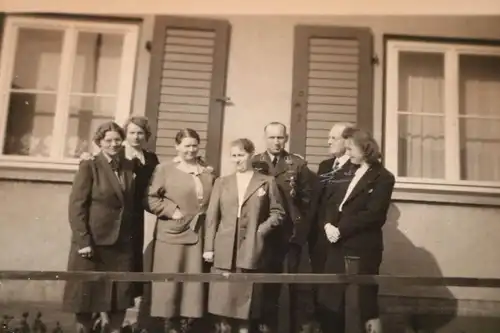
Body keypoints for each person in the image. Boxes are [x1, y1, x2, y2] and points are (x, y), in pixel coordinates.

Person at [203, 138, 285, 333]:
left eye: (241, 155)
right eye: (234, 156)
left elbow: (278, 213)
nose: (237, 159)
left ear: (251, 155)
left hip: (251, 248)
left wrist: (261, 231)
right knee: (222, 305)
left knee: (244, 308)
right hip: (224, 249)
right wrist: (209, 247)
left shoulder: (266, 182)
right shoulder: (222, 182)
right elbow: (212, 217)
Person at [319, 127, 395, 333]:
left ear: (365, 149)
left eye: (351, 149)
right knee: (331, 301)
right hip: (336, 246)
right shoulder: (346, 171)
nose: (348, 153)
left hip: (361, 248)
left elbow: (374, 215)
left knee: (359, 303)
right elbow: (331, 201)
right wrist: (327, 224)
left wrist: (341, 229)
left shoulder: (383, 177)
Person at [62, 121, 136, 333]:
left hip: (121, 244)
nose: (114, 144)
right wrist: (83, 241)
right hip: (93, 244)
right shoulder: (90, 165)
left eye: (117, 140)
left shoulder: (128, 166)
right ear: (99, 142)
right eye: (108, 140)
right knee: (86, 300)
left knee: (119, 298)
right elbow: (76, 206)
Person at [79, 116, 160, 299]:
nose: (136, 137)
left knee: (129, 260)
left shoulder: (151, 158)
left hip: (137, 214)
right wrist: (86, 156)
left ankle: (125, 299)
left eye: (140, 133)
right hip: (113, 215)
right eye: (132, 133)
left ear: (146, 135)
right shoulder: (117, 154)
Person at [145, 128, 216, 333]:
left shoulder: (207, 171)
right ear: (177, 146)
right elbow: (150, 198)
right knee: (170, 285)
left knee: (193, 287)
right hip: (172, 235)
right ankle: (169, 327)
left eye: (194, 145)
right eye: (186, 145)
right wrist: (171, 210)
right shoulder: (164, 169)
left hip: (200, 235)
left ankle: (188, 326)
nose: (191, 150)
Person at [251, 122, 314, 333]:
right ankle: (266, 328)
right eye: (272, 138)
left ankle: (292, 328)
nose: (276, 142)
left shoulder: (296, 164)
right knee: (265, 285)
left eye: (280, 138)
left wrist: (300, 228)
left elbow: (307, 200)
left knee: (292, 285)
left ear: (286, 138)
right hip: (264, 233)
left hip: (289, 235)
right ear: (265, 138)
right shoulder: (254, 162)